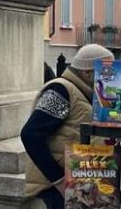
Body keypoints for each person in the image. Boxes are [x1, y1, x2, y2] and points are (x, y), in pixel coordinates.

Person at [22, 44, 114, 209]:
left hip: (80, 184)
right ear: (87, 72)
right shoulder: (61, 90)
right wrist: (60, 181)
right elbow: (31, 134)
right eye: (105, 72)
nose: (110, 78)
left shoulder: (90, 95)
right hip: (55, 191)